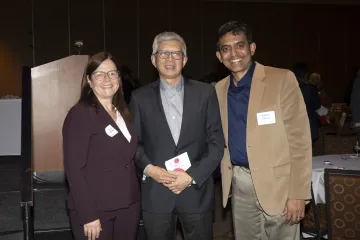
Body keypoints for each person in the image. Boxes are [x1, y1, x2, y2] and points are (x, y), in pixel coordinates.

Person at [214, 21, 312, 240]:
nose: (234, 54)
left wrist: (298, 193)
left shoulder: (281, 79)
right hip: (240, 183)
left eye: (240, 45)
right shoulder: (219, 89)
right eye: (226, 49)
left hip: (279, 184)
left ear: (252, 48)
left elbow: (300, 141)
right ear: (219, 56)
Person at [129, 32, 224, 240]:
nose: (170, 59)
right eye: (163, 53)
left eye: (176, 53)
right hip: (157, 192)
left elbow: (216, 143)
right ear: (153, 59)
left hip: (196, 192)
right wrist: (150, 170)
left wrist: (191, 176)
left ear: (185, 59)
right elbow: (133, 144)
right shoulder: (139, 98)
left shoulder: (205, 93)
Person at [62, 52, 140, 240]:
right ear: (89, 80)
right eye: (99, 74)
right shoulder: (80, 114)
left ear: (119, 79)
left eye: (112, 74)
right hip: (96, 210)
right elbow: (74, 170)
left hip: (128, 206)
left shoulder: (122, 112)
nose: (107, 79)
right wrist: (88, 215)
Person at [292, 62, 322, 144]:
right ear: (306, 75)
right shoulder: (309, 89)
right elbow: (317, 105)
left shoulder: (286, 88)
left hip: (292, 130)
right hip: (308, 128)